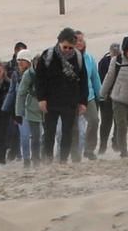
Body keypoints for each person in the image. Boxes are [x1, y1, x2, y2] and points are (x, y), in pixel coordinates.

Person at [35, 28, 89, 164]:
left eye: (70, 47)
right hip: (50, 102)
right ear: (59, 42)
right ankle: (48, 157)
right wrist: (41, 98)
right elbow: (39, 79)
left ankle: (63, 159)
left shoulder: (78, 57)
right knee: (49, 131)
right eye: (65, 47)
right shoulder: (47, 55)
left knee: (67, 132)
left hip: (70, 102)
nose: (67, 50)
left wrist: (83, 102)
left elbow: (83, 81)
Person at [101, 36, 128, 157]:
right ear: (124, 49)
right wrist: (102, 93)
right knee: (121, 126)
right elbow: (109, 78)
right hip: (119, 99)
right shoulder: (116, 60)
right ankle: (123, 152)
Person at [7, 50, 42, 167]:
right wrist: (9, 111)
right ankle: (27, 159)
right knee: (26, 136)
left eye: (23, 61)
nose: (20, 63)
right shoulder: (16, 75)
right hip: (25, 110)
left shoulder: (42, 74)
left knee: (39, 136)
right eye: (19, 61)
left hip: (41, 109)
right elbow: (15, 94)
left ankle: (37, 157)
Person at [76, 31, 103, 160]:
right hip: (72, 98)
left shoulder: (90, 59)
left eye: (81, 40)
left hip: (89, 97)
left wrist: (101, 96)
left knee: (94, 121)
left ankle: (89, 149)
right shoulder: (66, 59)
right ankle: (73, 152)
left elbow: (95, 79)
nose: (79, 43)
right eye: (76, 40)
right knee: (73, 127)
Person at [97, 42, 121, 155]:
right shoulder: (103, 62)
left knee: (118, 121)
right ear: (110, 51)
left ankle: (116, 143)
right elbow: (101, 79)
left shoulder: (122, 61)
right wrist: (103, 95)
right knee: (106, 122)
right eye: (114, 52)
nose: (115, 53)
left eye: (117, 51)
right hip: (106, 98)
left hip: (119, 97)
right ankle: (103, 145)